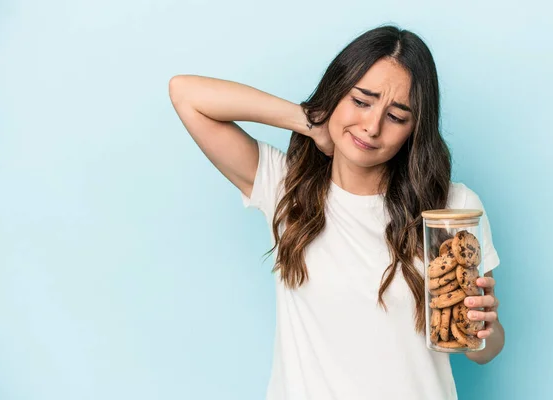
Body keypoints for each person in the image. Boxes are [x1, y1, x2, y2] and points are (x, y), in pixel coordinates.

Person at [168, 24, 504, 400]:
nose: (371, 127)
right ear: (336, 93)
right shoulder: (285, 188)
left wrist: (485, 326)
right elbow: (186, 94)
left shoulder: (450, 207)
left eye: (396, 116)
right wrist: (312, 122)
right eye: (361, 101)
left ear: (414, 129)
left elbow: (484, 352)